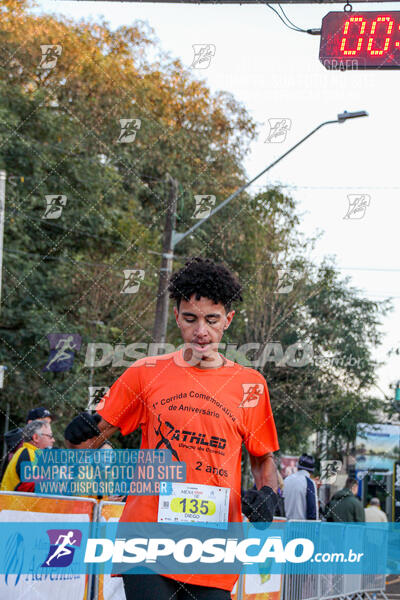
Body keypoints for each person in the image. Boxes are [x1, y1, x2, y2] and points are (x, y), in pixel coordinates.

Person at [64, 256, 280, 600]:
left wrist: (268, 495)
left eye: (212, 319)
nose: (201, 332)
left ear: (228, 320)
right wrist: (78, 434)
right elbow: (90, 440)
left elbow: (263, 459)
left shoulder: (249, 386)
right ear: (177, 316)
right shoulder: (145, 372)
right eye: (191, 319)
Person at [1, 420, 55, 492]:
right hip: (11, 502)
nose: (53, 440)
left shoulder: (31, 453)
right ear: (36, 438)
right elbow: (33, 486)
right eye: (50, 436)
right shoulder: (27, 453)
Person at [283, 454, 318, 520]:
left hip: (287, 526)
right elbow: (312, 509)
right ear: (311, 470)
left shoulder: (286, 480)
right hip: (303, 527)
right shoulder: (309, 483)